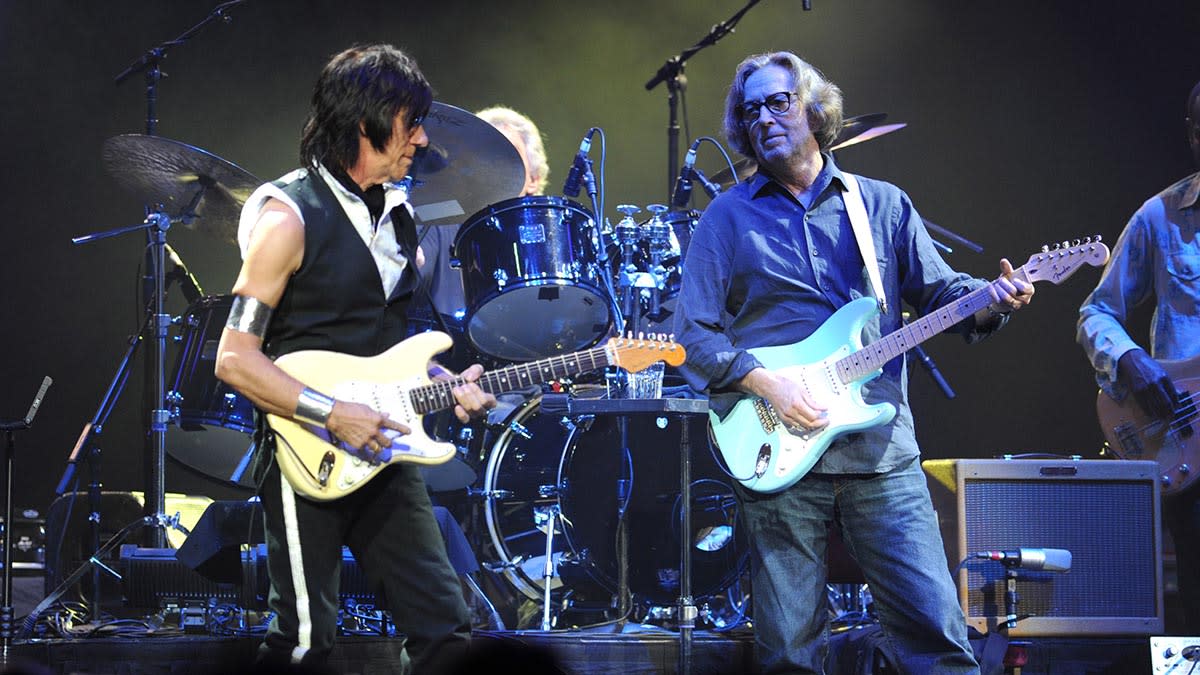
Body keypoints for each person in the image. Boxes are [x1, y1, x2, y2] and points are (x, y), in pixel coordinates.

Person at [673, 51, 1033, 673]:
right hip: (777, 455)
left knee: (937, 641)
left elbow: (943, 293)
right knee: (789, 653)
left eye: (778, 102)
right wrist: (766, 384)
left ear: (814, 111)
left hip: (880, 453)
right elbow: (690, 338)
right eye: (750, 109)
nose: (763, 117)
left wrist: (992, 299)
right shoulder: (726, 217)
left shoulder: (883, 205)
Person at [214, 44, 496, 672]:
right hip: (302, 450)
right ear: (367, 121)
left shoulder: (398, 219)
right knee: (306, 643)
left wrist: (445, 382)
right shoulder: (287, 216)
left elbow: (385, 349)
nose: (421, 139)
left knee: (446, 631)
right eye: (410, 122)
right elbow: (234, 359)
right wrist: (331, 412)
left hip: (384, 448)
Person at [1077, 79, 1200, 635]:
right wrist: (1131, 359)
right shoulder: (1160, 216)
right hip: (1186, 443)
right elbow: (1096, 313)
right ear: (1191, 135)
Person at [415, 105, 550, 320]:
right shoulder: (438, 222)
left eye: (508, 155)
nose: (494, 166)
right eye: (485, 154)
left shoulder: (552, 242)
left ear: (533, 179)